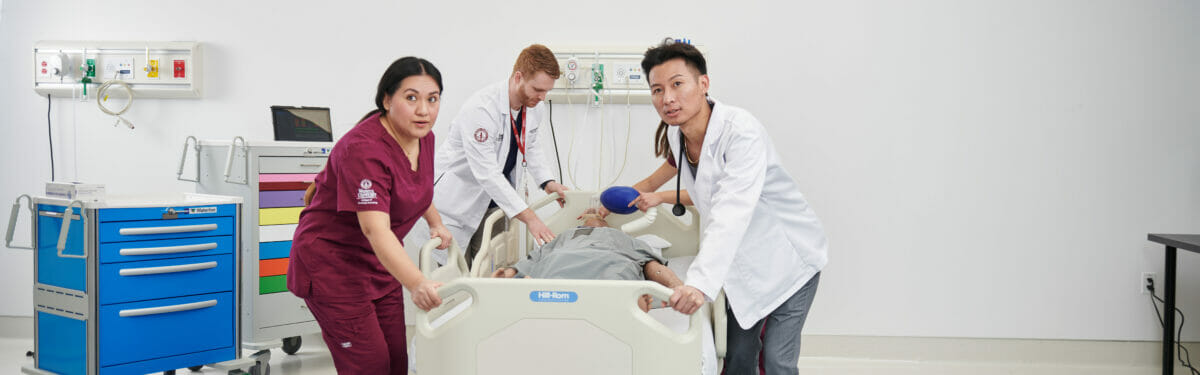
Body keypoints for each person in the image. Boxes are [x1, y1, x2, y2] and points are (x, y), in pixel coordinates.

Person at [626, 41, 829, 375]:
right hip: (742, 264)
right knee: (737, 361)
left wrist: (700, 284)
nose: (667, 98)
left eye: (678, 84)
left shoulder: (741, 133)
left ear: (703, 84)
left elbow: (731, 209)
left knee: (777, 362)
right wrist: (610, 204)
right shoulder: (679, 137)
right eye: (657, 90)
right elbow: (673, 185)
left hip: (789, 260)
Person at [286, 57, 451, 375]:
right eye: (411, 97)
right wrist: (416, 282)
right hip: (332, 268)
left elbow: (414, 187)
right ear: (387, 100)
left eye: (433, 99)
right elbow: (375, 230)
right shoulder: (364, 149)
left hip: (378, 265)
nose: (424, 110)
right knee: (370, 366)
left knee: (396, 362)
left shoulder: (423, 138)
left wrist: (436, 222)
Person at [429, 44, 570, 266]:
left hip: (494, 204)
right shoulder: (481, 110)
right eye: (537, 89)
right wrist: (530, 218)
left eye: (547, 91)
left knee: (488, 275)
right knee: (452, 285)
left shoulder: (533, 106)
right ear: (518, 77)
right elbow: (487, 173)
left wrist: (548, 183)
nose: (543, 97)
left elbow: (530, 146)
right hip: (457, 205)